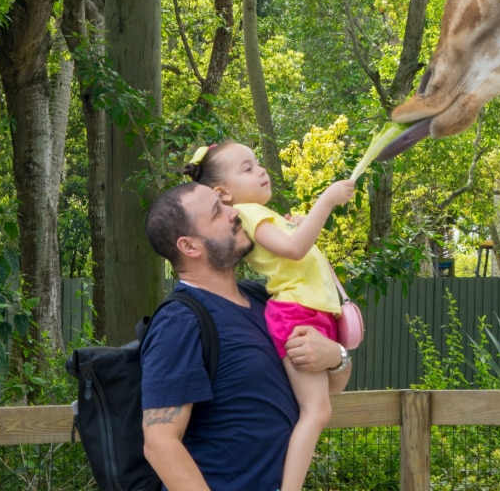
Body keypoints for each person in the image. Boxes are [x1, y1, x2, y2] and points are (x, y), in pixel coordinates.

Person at [141, 181, 351, 491]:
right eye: (217, 213)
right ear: (190, 246)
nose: (234, 213)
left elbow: (331, 387)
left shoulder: (268, 300)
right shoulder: (180, 320)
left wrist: (336, 357)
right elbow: (160, 443)